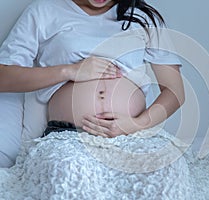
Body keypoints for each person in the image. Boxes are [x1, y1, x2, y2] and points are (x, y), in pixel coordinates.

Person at [0, 0, 195, 199]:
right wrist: (70, 70)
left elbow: (175, 92)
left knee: (167, 174)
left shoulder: (143, 17)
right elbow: (3, 77)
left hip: (131, 135)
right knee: (67, 175)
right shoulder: (44, 11)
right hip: (68, 136)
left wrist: (136, 124)